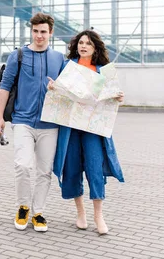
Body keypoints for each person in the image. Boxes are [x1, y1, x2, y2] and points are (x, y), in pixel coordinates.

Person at [0, 12, 65, 232]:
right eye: (35, 31)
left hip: (49, 124)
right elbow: (5, 86)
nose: (39, 36)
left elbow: (70, 90)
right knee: (23, 165)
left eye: (43, 32)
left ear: (51, 33)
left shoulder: (59, 58)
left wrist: (58, 88)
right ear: (31, 31)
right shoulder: (18, 55)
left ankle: (39, 212)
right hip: (23, 120)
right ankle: (23, 207)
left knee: (44, 171)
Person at [48, 30, 125, 235]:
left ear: (95, 48)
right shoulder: (67, 67)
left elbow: (111, 98)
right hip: (71, 127)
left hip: (93, 128)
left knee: (95, 168)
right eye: (81, 42)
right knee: (72, 168)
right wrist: (53, 88)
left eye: (88, 44)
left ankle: (98, 215)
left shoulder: (104, 71)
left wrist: (118, 97)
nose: (83, 46)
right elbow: (60, 93)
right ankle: (80, 213)